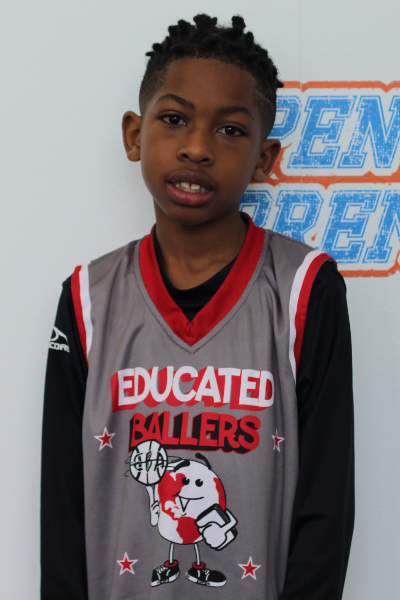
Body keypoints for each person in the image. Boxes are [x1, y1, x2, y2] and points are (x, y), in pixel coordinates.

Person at [41, 13, 354, 600]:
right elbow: (62, 508)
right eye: (174, 119)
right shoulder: (88, 297)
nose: (197, 147)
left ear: (263, 159)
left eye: (230, 130)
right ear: (135, 135)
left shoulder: (305, 288)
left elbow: (326, 505)